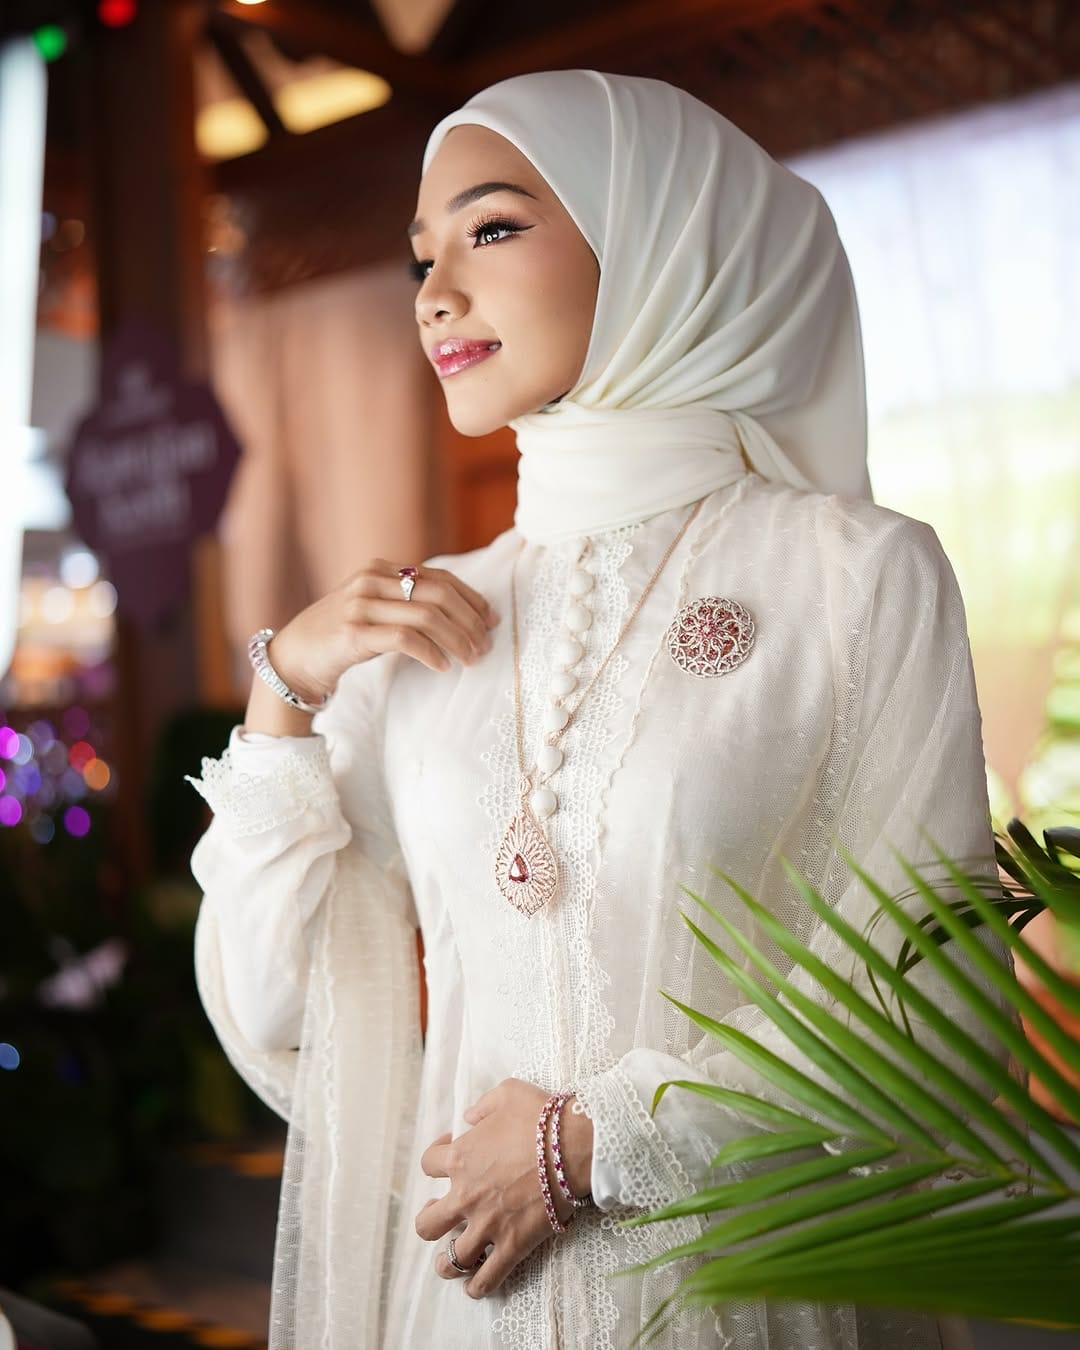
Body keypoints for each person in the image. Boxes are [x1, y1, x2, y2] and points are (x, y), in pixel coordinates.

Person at [189, 70, 1003, 1349]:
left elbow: (931, 1013)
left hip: (730, 1304)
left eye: (491, 228)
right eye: (421, 257)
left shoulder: (852, 576)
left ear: (653, 238)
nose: (435, 292)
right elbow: (281, 1009)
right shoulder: (416, 626)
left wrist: (587, 1144)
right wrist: (283, 690)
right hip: (458, 1310)